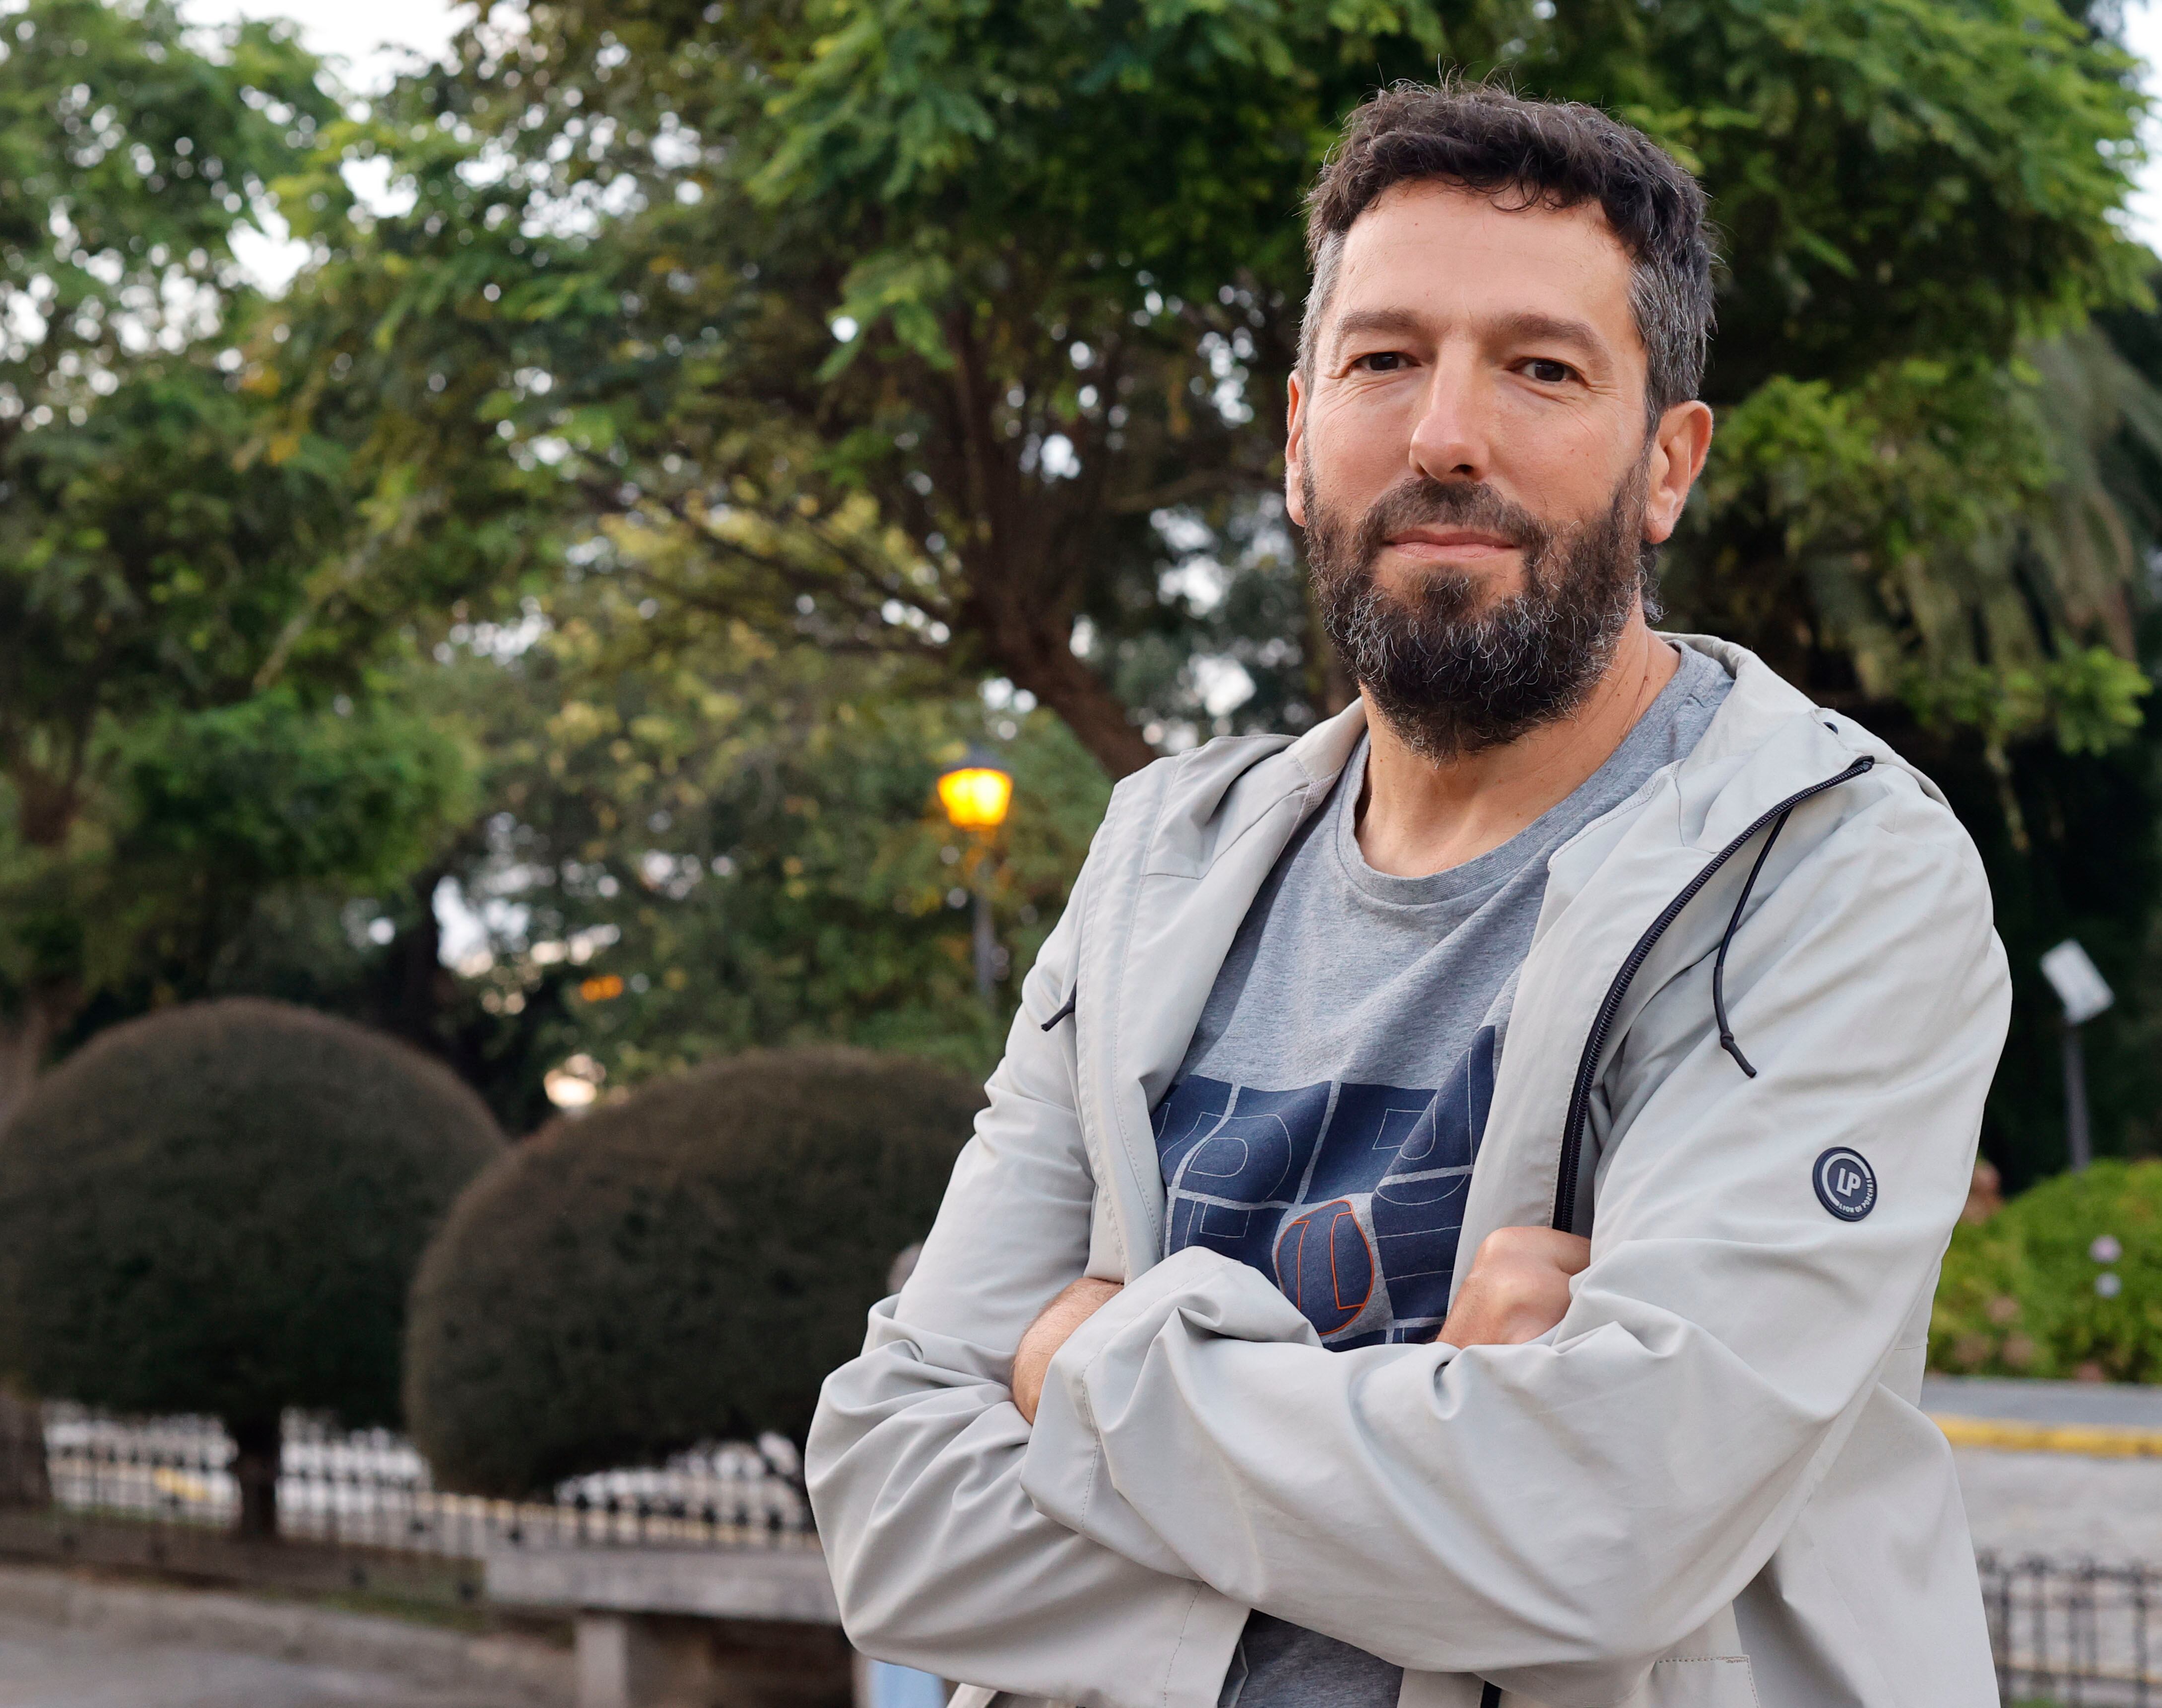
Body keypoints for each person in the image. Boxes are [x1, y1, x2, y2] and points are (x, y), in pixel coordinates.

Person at [805, 83, 2009, 1708]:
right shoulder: (1156, 859)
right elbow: (890, 1499)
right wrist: (1446, 1455)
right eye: (1384, 361)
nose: (1447, 433)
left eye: (1539, 367)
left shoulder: (1829, 867)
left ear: (1665, 465)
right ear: (1300, 437)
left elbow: (1606, 1525)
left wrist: (1086, 1367)